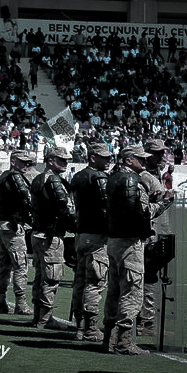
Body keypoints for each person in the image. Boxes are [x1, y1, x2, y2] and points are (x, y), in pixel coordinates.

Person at [103, 145, 173, 355]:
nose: (144, 162)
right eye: (139, 159)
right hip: (130, 241)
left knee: (114, 291)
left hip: (114, 239)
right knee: (132, 290)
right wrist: (165, 202)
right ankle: (124, 341)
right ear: (127, 160)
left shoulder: (113, 178)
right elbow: (142, 212)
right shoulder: (133, 181)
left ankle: (109, 337)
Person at [29, 146, 76, 329]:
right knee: (51, 278)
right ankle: (45, 318)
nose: (65, 163)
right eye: (61, 160)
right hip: (51, 235)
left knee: (41, 276)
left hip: (39, 233)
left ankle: (37, 316)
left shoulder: (38, 179)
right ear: (50, 161)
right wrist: (76, 227)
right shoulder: (54, 180)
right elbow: (64, 208)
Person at [69, 142, 112, 342]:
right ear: (93, 157)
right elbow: (107, 203)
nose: (109, 160)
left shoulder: (78, 176)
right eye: (105, 157)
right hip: (97, 235)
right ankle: (90, 328)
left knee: (80, 282)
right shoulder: (99, 177)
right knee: (94, 282)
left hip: (81, 234)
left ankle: (79, 326)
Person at [137, 138, 174, 338]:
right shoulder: (144, 176)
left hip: (159, 232)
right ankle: (145, 322)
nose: (162, 156)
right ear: (148, 154)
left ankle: (147, 320)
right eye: (157, 153)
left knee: (152, 277)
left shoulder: (155, 174)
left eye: (162, 153)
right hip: (150, 233)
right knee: (148, 277)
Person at [0, 150, 36, 315]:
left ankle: (0, 301)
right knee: (21, 265)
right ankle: (21, 303)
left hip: (3, 223)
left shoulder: (4, 176)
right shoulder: (14, 177)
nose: (27, 164)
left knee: (5, 265)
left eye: (28, 161)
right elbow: (26, 198)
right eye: (23, 161)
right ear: (13, 161)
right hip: (13, 225)